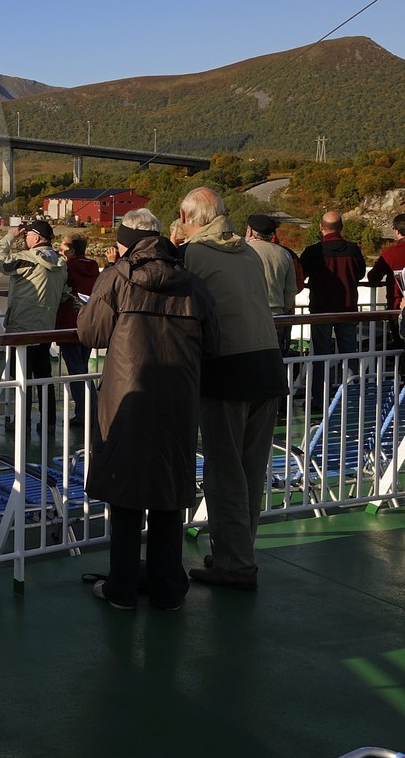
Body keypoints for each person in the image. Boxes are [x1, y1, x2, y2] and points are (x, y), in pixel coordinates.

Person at [78, 207, 218, 610]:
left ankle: (121, 589)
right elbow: (214, 341)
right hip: (178, 398)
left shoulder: (118, 277)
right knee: (168, 493)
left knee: (125, 492)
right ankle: (168, 590)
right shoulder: (193, 282)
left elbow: (90, 333)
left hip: (129, 397)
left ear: (128, 243)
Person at [179, 187, 289, 592]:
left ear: (190, 217)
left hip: (227, 368)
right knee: (251, 470)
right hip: (268, 367)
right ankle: (237, 551)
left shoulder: (194, 254)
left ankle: (235, 565)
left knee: (224, 472)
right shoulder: (247, 251)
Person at [0, 218, 68, 437]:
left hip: (22, 328)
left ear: (36, 238)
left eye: (26, 235)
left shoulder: (27, 259)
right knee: (44, 376)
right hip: (45, 328)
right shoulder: (61, 263)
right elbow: (63, 296)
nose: (24, 238)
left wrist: (10, 236)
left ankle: (21, 422)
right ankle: (49, 423)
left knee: (21, 377)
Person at [298, 212, 367, 403]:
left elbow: (300, 275)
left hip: (321, 312)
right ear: (341, 227)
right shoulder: (353, 250)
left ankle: (320, 398)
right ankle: (352, 397)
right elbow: (360, 274)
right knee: (349, 353)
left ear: (321, 227)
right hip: (348, 310)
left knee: (320, 355)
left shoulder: (313, 252)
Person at [55, 234, 101, 422]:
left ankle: (84, 413)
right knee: (82, 369)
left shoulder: (67, 268)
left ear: (72, 251)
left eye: (63, 248)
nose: (60, 251)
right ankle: (94, 410)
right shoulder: (93, 267)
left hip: (68, 324)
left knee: (76, 371)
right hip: (88, 322)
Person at [246, 213, 299, 356]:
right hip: (276, 316)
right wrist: (283, 308)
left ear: (250, 231)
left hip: (248, 315)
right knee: (274, 359)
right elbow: (291, 289)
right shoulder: (284, 254)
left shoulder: (243, 252)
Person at [365, 212, 405, 349]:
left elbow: (373, 277)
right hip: (398, 306)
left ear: (397, 231)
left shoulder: (391, 253)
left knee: (400, 346)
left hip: (397, 307)